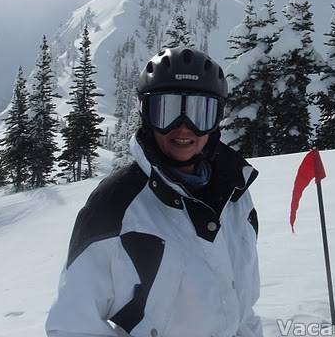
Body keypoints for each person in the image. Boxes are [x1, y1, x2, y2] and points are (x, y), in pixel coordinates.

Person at [46, 46, 262, 337]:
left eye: (200, 113)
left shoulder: (236, 195)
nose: (183, 128)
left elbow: (243, 309)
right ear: (146, 115)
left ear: (216, 119)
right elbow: (72, 325)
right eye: (167, 111)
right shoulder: (115, 205)